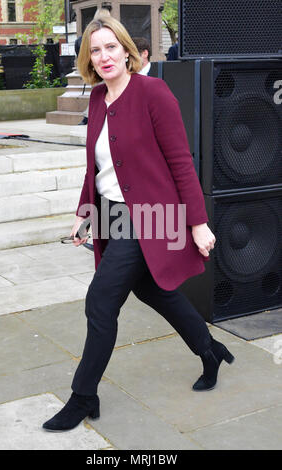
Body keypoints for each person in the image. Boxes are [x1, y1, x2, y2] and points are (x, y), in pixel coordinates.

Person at [42, 11, 235, 433]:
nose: (105, 56)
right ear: (88, 60)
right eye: (96, 50)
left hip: (149, 216)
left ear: (127, 50)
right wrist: (84, 214)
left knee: (100, 302)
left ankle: (83, 396)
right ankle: (209, 349)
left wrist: (197, 223)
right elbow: (94, 168)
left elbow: (182, 162)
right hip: (110, 214)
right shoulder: (95, 98)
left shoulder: (154, 92)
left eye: (111, 47)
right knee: (154, 290)